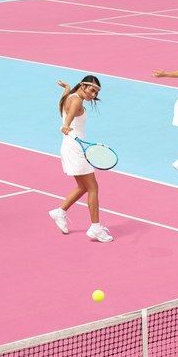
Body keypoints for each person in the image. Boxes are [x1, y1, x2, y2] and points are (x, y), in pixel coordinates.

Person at [48, 76, 112, 243]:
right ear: (83, 86)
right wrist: (66, 127)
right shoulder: (76, 101)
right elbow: (67, 120)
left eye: (96, 92)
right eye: (92, 90)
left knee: (83, 187)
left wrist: (67, 87)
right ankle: (95, 228)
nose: (93, 95)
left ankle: (60, 212)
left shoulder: (69, 97)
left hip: (71, 147)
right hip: (74, 148)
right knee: (93, 187)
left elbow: (64, 107)